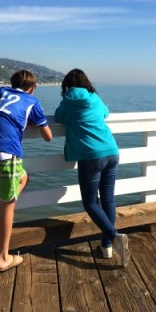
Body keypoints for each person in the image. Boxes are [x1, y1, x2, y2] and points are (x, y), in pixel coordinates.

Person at [54, 68, 130, 267]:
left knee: (90, 203)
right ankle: (107, 246)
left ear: (67, 85)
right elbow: (106, 113)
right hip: (112, 151)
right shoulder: (94, 97)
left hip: (91, 156)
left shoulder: (69, 100)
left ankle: (113, 236)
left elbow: (59, 117)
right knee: (107, 199)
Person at [0, 70, 52, 272]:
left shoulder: (2, 92)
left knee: (23, 178)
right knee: (9, 204)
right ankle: (3, 257)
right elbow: (48, 136)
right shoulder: (32, 101)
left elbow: (9, 113)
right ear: (31, 88)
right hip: (8, 153)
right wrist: (36, 122)